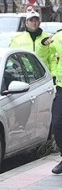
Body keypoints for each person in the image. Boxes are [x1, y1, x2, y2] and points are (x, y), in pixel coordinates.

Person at [42, 26, 62, 175]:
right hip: (61, 88)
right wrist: (44, 44)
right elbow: (43, 54)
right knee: (57, 124)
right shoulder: (58, 37)